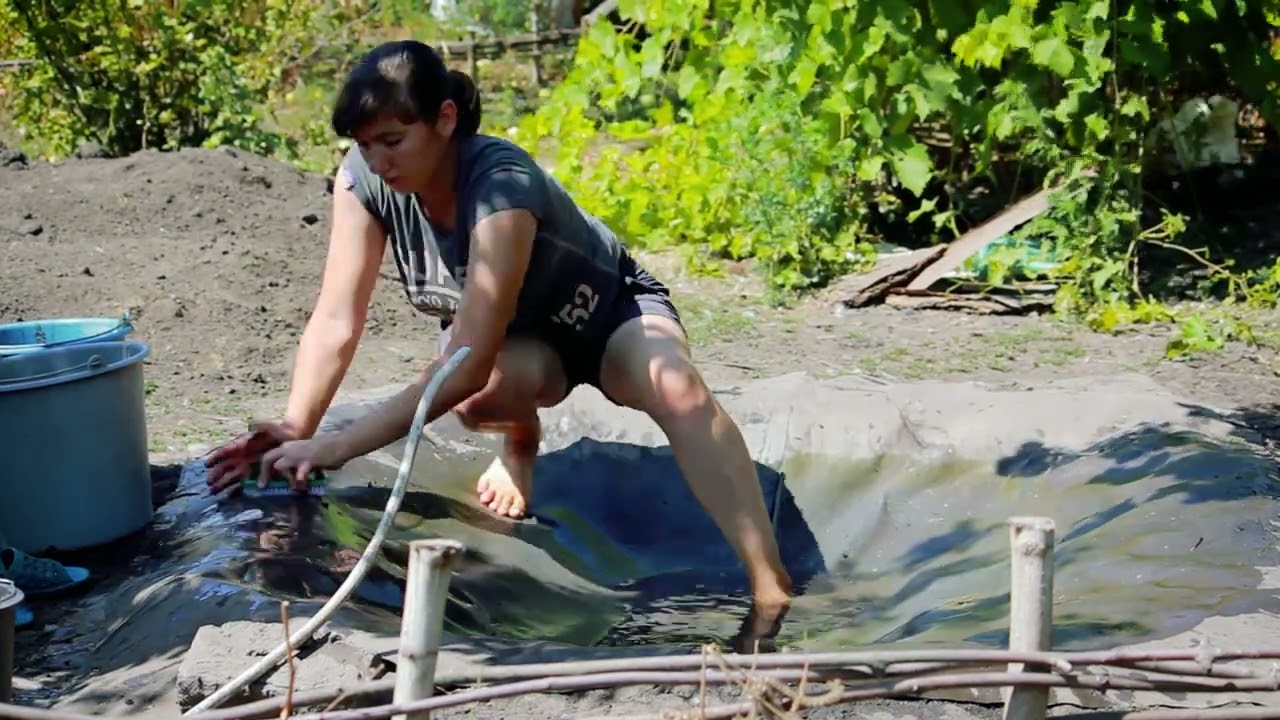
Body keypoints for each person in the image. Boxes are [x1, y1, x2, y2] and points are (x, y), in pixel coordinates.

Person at [204, 39, 793, 644]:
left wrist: (338, 446)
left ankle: (770, 585)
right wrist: (299, 425)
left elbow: (463, 359)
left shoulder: (500, 184)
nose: (378, 162)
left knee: (679, 390)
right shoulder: (362, 184)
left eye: (394, 141)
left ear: (445, 120)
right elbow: (336, 318)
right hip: (519, 348)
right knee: (474, 396)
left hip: (608, 315)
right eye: (364, 144)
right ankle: (520, 439)